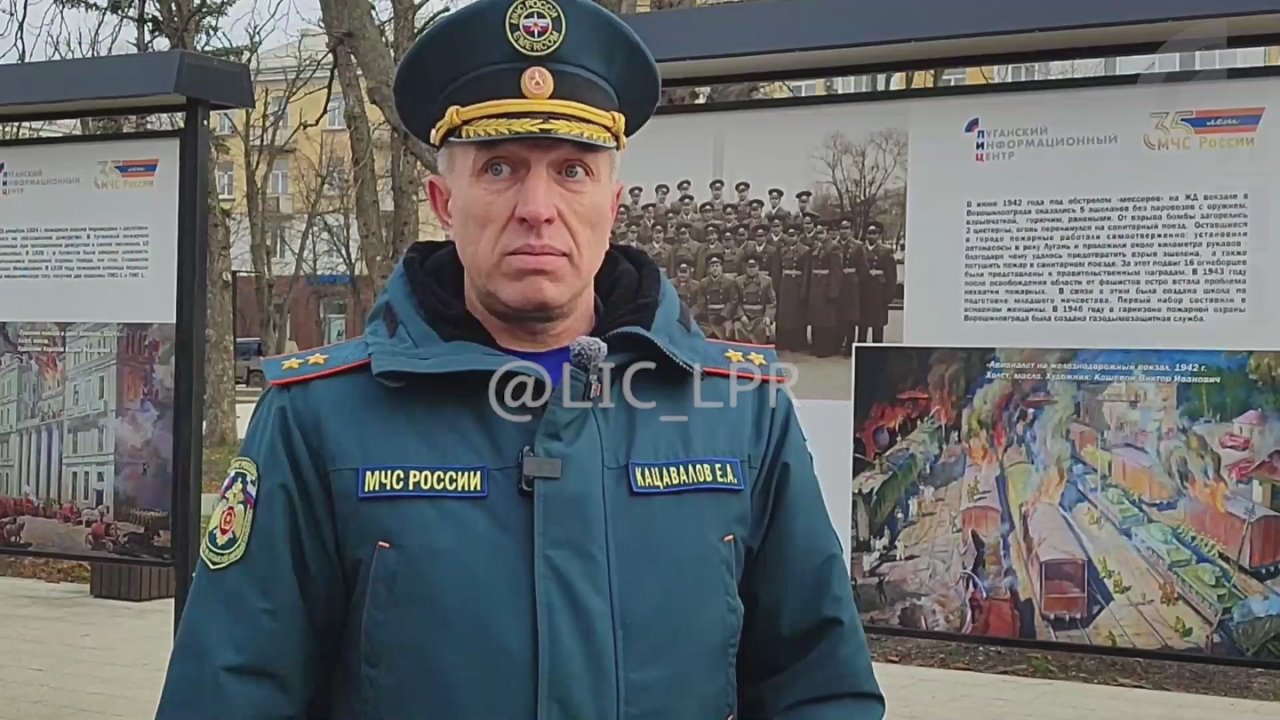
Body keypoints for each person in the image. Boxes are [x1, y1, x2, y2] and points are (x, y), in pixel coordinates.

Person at [155, 1, 884, 719]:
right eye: (500, 167)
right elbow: (229, 692)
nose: (537, 207)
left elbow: (820, 687)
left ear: (612, 206)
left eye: (572, 170)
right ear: (444, 201)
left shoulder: (742, 412)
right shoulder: (318, 419)